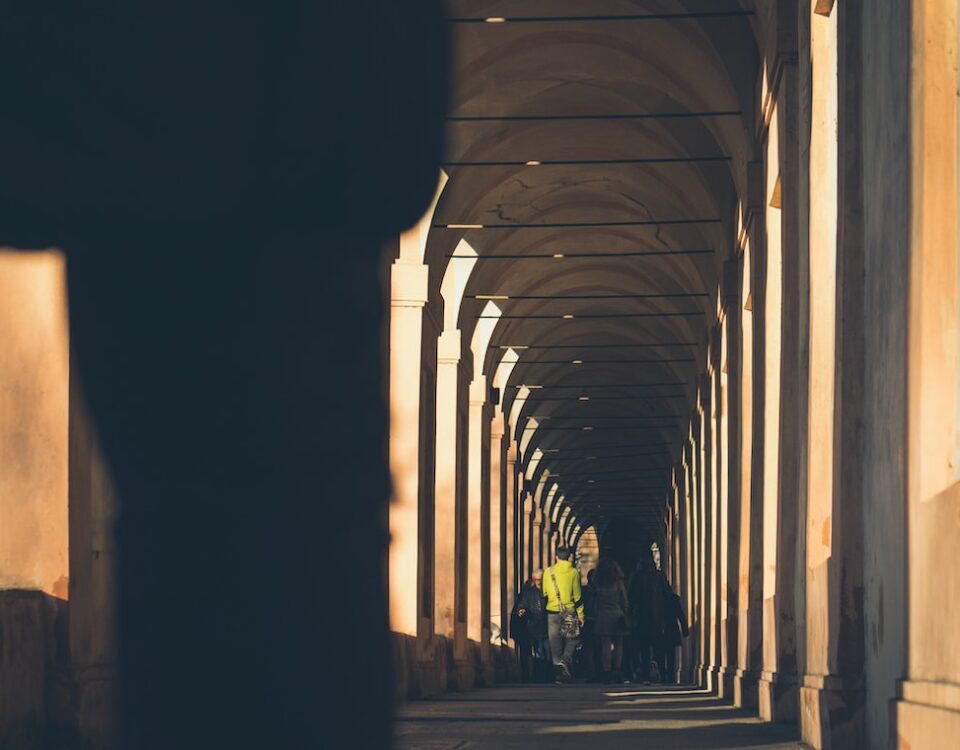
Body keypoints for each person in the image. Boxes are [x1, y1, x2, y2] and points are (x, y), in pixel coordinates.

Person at [542, 546, 584, 682]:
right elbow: (578, 596)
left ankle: (558, 674)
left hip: (553, 611)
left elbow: (545, 592)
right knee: (573, 638)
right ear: (569, 557)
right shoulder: (573, 573)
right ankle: (565, 661)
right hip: (570, 610)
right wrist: (581, 614)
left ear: (556, 557)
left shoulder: (548, 572)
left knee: (555, 641)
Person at [628, 550, 668, 683]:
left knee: (644, 647)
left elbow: (630, 596)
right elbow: (667, 594)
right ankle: (662, 672)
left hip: (641, 617)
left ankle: (646, 674)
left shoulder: (636, 576)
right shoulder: (659, 576)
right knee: (659, 647)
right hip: (657, 616)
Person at [592, 559, 630, 683]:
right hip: (617, 615)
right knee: (619, 645)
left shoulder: (598, 583)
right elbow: (624, 601)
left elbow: (595, 603)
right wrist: (624, 611)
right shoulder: (618, 583)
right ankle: (617, 670)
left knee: (605, 646)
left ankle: (607, 671)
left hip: (603, 616)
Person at [510, 570, 550, 683]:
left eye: (540, 580)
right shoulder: (528, 594)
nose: (539, 582)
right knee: (537, 652)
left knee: (545, 652)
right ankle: (535, 676)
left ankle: (545, 675)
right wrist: (522, 610)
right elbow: (522, 605)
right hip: (532, 627)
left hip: (546, 625)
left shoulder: (548, 590)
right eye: (536, 580)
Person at [660, 587, 690, 684]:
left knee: (660, 653)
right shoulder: (674, 599)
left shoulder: (657, 598)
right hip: (671, 629)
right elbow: (680, 614)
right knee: (670, 654)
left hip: (660, 628)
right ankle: (670, 675)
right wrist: (685, 629)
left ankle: (663, 674)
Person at [580, 568, 601, 681]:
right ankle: (592, 672)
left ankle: (593, 672)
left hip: (591, 620)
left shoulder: (584, 590)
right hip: (590, 620)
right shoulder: (599, 591)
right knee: (591, 647)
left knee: (593, 648)